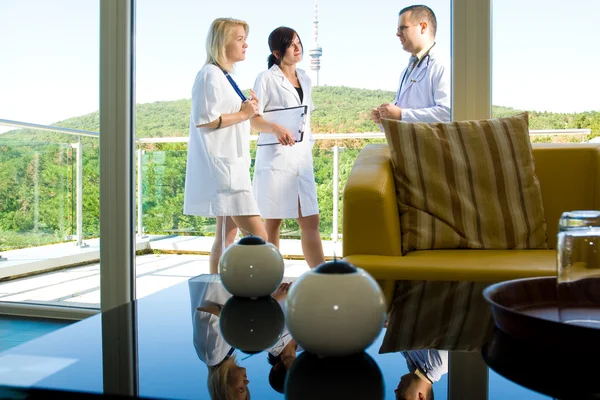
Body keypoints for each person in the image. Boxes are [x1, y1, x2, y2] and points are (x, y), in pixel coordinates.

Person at [183, 18, 268, 274]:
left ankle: (216, 302)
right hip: (225, 175)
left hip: (232, 168)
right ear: (223, 42)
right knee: (261, 239)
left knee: (225, 238)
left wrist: (250, 109)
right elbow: (204, 120)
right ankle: (266, 291)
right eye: (240, 39)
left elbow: (235, 115)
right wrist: (242, 114)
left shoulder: (225, 75)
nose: (246, 45)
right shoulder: (209, 74)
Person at [250, 26, 325, 268]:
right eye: (291, 44)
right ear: (277, 52)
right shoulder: (266, 79)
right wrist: (276, 129)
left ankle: (322, 277)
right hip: (276, 159)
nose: (297, 47)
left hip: (301, 160)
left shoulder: (305, 78)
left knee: (311, 220)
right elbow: (253, 120)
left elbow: (305, 117)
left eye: (298, 42)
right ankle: (271, 278)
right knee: (273, 223)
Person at [189, 275, 292, 400]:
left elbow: (205, 312)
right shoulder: (225, 353)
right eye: (246, 388)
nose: (247, 383)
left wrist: (273, 300)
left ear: (224, 388)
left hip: (223, 280)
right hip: (227, 281)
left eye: (241, 388)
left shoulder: (212, 355)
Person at [372, 5, 450, 125]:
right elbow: (401, 115)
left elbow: (447, 113)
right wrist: (384, 117)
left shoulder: (443, 65)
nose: (397, 34)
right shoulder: (406, 71)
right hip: (410, 141)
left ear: (423, 27)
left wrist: (401, 114)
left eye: (402, 28)